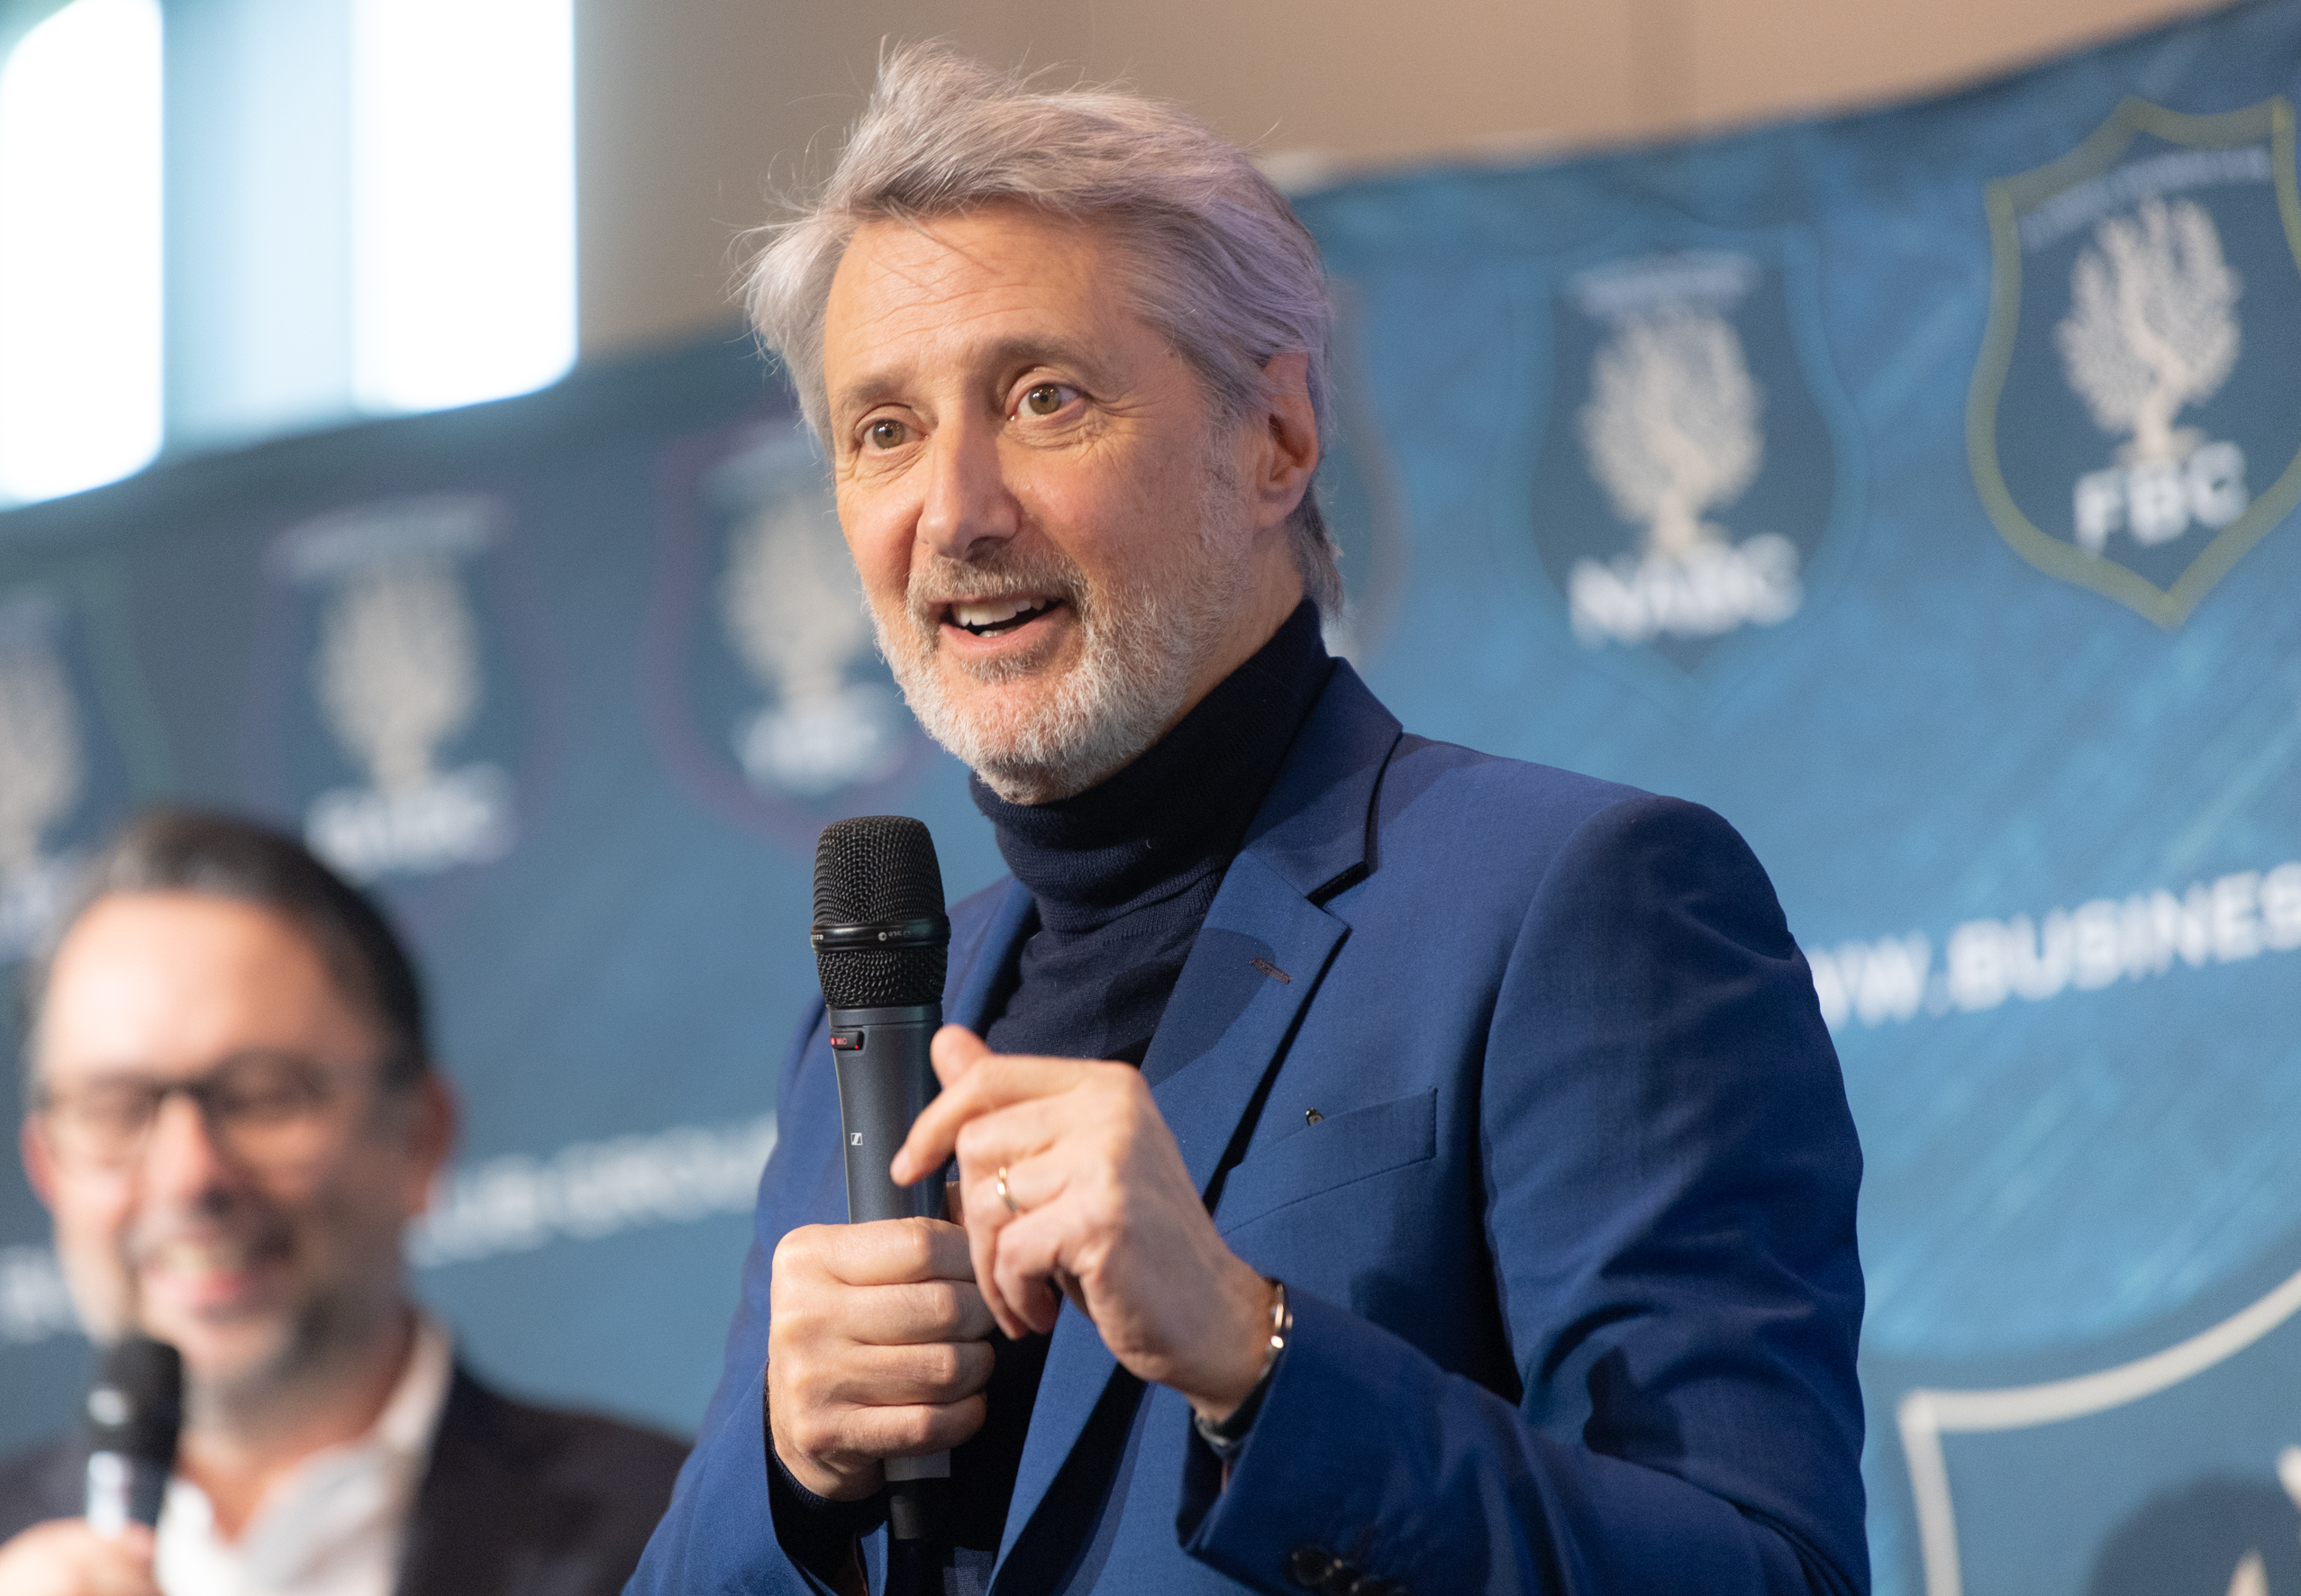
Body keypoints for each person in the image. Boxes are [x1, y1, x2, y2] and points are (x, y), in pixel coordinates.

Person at [629, 43, 1867, 1596]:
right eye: (883, 429)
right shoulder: (863, 1036)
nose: (954, 509)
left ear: (1274, 436)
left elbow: (1765, 1574)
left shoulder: (1578, 902)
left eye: (1044, 399)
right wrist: (785, 1476)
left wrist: (1254, 1353)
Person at [0, 811, 685, 1596]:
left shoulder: (680, 1538)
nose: (190, 1176)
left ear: (419, 1137)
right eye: (116, 1109)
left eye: (263, 1095)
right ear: (47, 1165)